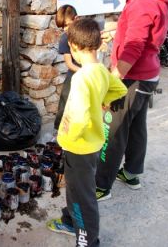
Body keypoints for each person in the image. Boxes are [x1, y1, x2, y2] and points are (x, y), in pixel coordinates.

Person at [95, 0, 168, 201]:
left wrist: (114, 78)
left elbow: (134, 46)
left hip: (133, 77)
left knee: (113, 128)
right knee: (137, 126)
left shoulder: (144, 2)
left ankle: (101, 185)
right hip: (148, 75)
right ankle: (131, 173)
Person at [47, 18, 127, 246]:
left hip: (78, 147)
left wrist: (64, 140)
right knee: (76, 190)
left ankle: (88, 240)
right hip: (92, 145)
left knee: (84, 197)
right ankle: (71, 221)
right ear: (99, 44)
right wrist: (103, 101)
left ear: (72, 46)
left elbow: (80, 119)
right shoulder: (100, 70)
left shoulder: (81, 77)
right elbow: (119, 88)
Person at [53, 5, 80, 134]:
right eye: (63, 26)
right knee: (65, 104)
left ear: (77, 19)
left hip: (89, 74)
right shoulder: (65, 38)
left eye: (68, 25)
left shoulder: (88, 31)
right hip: (74, 74)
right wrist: (85, 72)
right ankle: (58, 133)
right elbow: (69, 64)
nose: (65, 29)